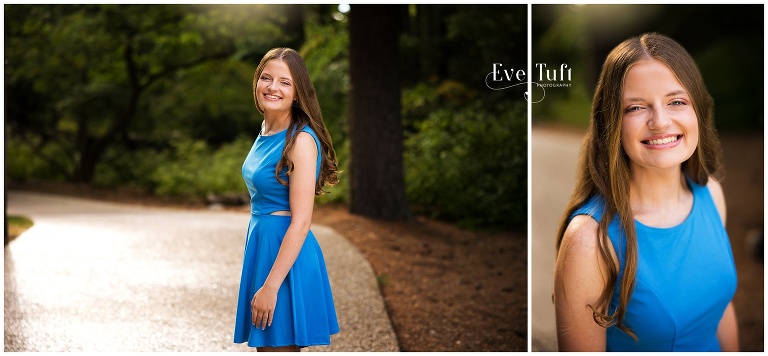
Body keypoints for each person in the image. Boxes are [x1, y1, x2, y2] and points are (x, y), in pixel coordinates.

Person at [553, 33, 739, 351]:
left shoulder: (710, 193)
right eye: (636, 107)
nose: (660, 121)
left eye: (676, 101)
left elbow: (720, 311)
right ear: (610, 122)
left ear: (698, 110)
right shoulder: (589, 241)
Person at [233, 47, 340, 351]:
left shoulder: (301, 141)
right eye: (266, 78)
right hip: (263, 247)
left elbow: (302, 220)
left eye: (284, 82)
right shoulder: (266, 127)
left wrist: (271, 285)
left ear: (298, 92)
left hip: (286, 257)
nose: (272, 87)